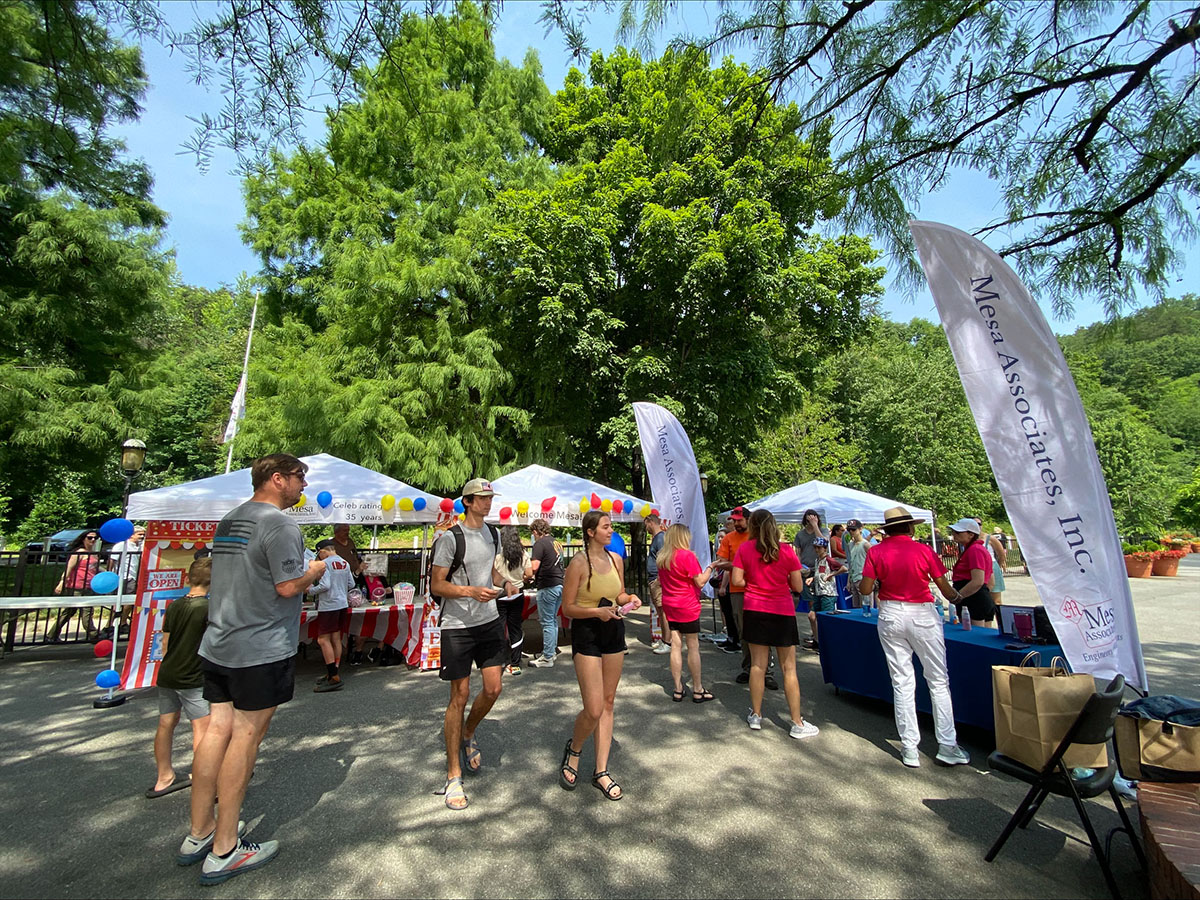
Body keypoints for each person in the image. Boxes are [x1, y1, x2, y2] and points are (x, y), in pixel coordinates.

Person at [182, 453, 326, 884]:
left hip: (220, 641)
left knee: (214, 733)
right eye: (300, 477)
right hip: (259, 646)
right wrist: (314, 571)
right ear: (277, 479)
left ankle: (199, 831)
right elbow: (286, 587)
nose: (304, 485)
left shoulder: (229, 519)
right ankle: (226, 847)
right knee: (246, 737)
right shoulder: (280, 524)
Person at [857, 506, 970, 769]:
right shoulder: (923, 550)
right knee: (938, 680)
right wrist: (958, 599)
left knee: (902, 682)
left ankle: (909, 748)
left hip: (890, 613)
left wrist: (880, 581)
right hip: (921, 613)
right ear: (910, 527)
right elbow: (944, 587)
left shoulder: (876, 551)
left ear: (887, 530)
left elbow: (864, 588)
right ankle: (947, 745)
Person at [429, 478, 506, 811]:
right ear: (468, 501)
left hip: (489, 620)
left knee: (493, 689)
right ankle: (453, 775)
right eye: (483, 498)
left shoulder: (494, 534)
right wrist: (471, 591)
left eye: (490, 498)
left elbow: (495, 574)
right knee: (458, 696)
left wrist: (510, 584)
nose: (488, 503)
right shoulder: (450, 538)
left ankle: (467, 732)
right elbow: (437, 585)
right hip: (458, 625)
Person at [558, 510, 642, 801]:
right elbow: (567, 608)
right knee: (593, 707)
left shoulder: (616, 559)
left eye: (611, 526)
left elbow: (619, 595)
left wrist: (629, 599)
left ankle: (601, 771)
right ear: (591, 532)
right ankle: (575, 748)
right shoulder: (579, 563)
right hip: (588, 632)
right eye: (606, 527)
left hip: (614, 630)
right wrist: (597, 612)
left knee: (608, 701)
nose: (611, 530)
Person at [731, 509, 818, 740]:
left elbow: (737, 580)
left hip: (754, 609)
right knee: (789, 668)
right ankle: (797, 722)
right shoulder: (787, 551)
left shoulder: (745, 549)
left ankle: (756, 714)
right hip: (781, 610)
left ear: (753, 525)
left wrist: (754, 580)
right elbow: (798, 587)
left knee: (757, 666)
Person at [147, 557, 212, 799]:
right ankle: (204, 776)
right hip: (194, 675)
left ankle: (164, 776)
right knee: (202, 728)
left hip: (168, 672)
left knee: (166, 723)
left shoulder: (175, 605)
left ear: (187, 578)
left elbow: (164, 641)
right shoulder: (206, 609)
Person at [713, 507, 776, 689]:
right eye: (734, 520)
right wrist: (741, 566)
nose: (736, 523)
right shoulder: (728, 538)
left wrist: (739, 565)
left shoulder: (758, 537)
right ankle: (749, 668)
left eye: (739, 520)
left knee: (763, 630)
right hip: (738, 590)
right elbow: (721, 563)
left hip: (761, 589)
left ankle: (767, 672)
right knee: (744, 631)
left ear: (748, 520)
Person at [655, 523, 716, 702]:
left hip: (670, 604)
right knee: (693, 647)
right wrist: (710, 568)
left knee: (675, 645)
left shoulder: (662, 557)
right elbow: (700, 582)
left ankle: (677, 688)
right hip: (687, 604)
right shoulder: (687, 556)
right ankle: (697, 688)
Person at [309, 539, 356, 692]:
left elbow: (325, 585)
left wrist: (309, 590)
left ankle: (333, 676)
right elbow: (352, 584)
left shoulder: (325, 564)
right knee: (336, 638)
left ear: (322, 551)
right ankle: (334, 671)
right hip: (342, 603)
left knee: (323, 639)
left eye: (319, 554)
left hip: (329, 605)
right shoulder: (345, 563)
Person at [48, 530, 101, 642]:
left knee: (76, 611)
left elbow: (95, 569)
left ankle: (51, 635)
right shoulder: (79, 553)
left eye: (95, 538)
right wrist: (62, 583)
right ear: (83, 539)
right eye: (89, 537)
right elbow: (68, 568)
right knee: (78, 611)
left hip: (89, 586)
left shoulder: (94, 553)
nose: (93, 540)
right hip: (76, 586)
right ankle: (94, 635)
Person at [493, 525, 530, 676]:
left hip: (500, 594)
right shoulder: (523, 555)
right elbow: (529, 572)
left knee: (499, 628)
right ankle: (515, 663)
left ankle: (499, 661)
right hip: (517, 593)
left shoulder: (498, 556)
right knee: (515, 628)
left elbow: (493, 576)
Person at [528, 519, 564, 668]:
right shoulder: (557, 543)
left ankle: (547, 656)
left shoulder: (539, 544)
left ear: (536, 531)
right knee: (553, 620)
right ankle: (552, 651)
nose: (533, 536)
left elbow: (534, 567)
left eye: (533, 533)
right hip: (559, 584)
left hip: (547, 585)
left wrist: (526, 574)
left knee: (547, 622)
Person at [949, 518, 996, 627]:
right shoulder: (976, 549)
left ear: (971, 534)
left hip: (974, 600)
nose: (954, 534)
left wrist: (958, 597)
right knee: (983, 636)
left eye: (958, 532)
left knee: (976, 636)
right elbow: (990, 580)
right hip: (978, 598)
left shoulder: (975, 550)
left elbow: (978, 581)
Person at [792, 509, 827, 649]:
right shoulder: (800, 534)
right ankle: (815, 634)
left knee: (820, 601)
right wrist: (798, 567)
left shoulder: (822, 531)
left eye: (814, 518)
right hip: (806, 570)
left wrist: (816, 526)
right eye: (809, 519)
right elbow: (798, 553)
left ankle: (819, 635)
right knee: (811, 603)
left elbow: (824, 542)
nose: (811, 520)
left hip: (821, 569)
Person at [804, 537, 844, 649]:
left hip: (828, 593)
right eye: (815, 547)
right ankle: (817, 641)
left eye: (819, 547)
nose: (817, 550)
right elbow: (819, 573)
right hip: (818, 592)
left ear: (824, 548)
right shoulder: (818, 560)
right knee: (812, 616)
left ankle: (828, 644)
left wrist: (831, 575)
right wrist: (812, 578)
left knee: (825, 619)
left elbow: (843, 568)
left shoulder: (829, 560)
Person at [644, 513, 672, 655]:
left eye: (646, 524)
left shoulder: (660, 538)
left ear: (650, 522)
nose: (645, 528)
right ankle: (664, 639)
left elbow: (664, 559)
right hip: (655, 579)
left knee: (663, 612)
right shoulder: (657, 538)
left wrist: (660, 579)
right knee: (661, 613)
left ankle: (668, 642)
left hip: (658, 580)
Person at [712, 519, 740, 654]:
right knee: (726, 611)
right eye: (719, 537)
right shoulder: (723, 547)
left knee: (732, 613)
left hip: (730, 583)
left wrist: (723, 586)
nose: (721, 539)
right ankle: (730, 637)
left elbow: (729, 568)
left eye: (723, 537)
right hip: (723, 581)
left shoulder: (735, 544)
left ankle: (735, 639)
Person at [976, 518, 1007, 605]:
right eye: (974, 524)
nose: (977, 526)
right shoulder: (968, 539)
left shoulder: (990, 538)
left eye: (979, 524)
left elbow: (1001, 554)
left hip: (991, 567)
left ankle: (999, 617)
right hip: (977, 569)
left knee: (996, 600)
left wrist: (998, 567)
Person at [109, 525, 147, 594]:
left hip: (133, 576)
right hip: (121, 575)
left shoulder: (140, 546)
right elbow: (112, 559)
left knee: (129, 596)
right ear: (131, 535)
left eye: (143, 535)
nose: (142, 537)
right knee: (118, 597)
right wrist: (109, 574)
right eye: (139, 534)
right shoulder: (122, 545)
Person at [844, 519, 870, 609]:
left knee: (865, 607)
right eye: (849, 530)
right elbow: (851, 563)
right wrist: (848, 580)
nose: (851, 532)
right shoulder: (850, 544)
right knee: (855, 607)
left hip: (863, 579)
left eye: (853, 529)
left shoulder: (866, 545)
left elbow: (873, 563)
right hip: (853, 578)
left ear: (860, 529)